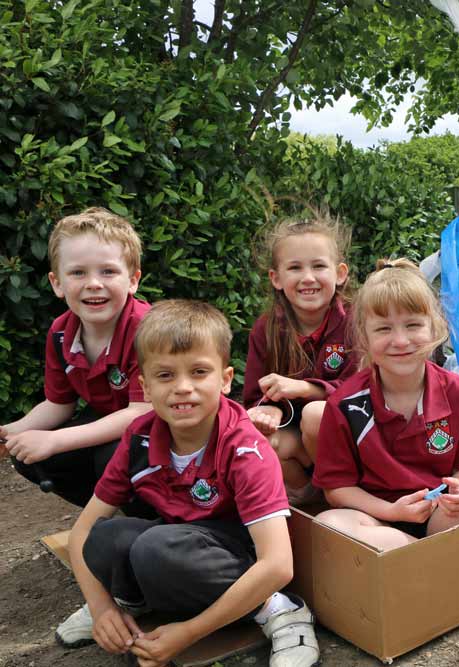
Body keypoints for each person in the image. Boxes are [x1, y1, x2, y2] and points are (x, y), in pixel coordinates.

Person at [59, 300, 319, 667]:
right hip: (175, 543)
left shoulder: (245, 447)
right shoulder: (139, 437)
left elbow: (277, 564)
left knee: (155, 549)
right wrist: (102, 609)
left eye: (199, 372)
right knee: (107, 538)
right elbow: (82, 532)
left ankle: (278, 610)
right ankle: (129, 603)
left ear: (226, 380)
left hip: (236, 558)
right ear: (145, 387)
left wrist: (189, 632)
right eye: (165, 376)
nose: (183, 388)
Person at [312, 259, 459, 550]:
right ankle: (429, 557)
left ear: (435, 328)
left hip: (442, 515)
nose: (400, 340)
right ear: (364, 336)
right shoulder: (344, 404)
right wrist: (391, 511)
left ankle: (424, 557)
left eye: (412, 325)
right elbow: (336, 489)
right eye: (384, 329)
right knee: (330, 523)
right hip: (377, 520)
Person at [1, 207, 153, 511]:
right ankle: (109, 513)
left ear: (133, 280)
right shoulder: (60, 333)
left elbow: (140, 412)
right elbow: (59, 404)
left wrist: (56, 440)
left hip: (164, 428)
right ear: (57, 283)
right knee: (29, 453)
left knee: (115, 455)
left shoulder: (147, 329)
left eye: (108, 271)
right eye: (78, 272)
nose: (93, 283)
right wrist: (11, 432)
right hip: (112, 425)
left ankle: (155, 519)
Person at [244, 215, 356, 505]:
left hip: (353, 440)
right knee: (265, 443)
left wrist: (306, 389)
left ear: (340, 273)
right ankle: (309, 499)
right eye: (295, 268)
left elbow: (363, 390)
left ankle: (343, 495)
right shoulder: (266, 329)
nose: (308, 277)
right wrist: (270, 411)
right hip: (299, 442)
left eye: (319, 266)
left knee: (317, 415)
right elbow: (256, 397)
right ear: (276, 278)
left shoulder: (357, 322)